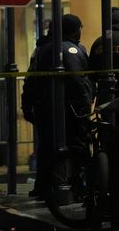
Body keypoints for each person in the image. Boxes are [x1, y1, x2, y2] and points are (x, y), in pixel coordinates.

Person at [22, 14, 94, 199]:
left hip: (44, 108)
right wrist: (86, 104)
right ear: (73, 30)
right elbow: (78, 80)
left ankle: (44, 188)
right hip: (69, 109)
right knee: (77, 147)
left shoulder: (41, 49)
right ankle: (78, 187)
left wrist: (27, 104)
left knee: (46, 149)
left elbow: (30, 80)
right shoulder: (71, 50)